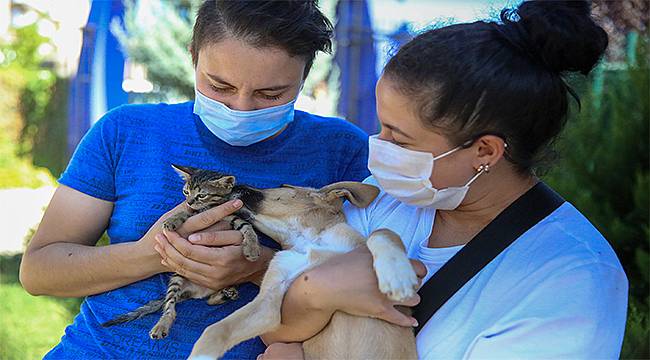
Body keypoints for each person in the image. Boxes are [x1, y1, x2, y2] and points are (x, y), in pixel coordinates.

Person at [258, 1, 628, 359]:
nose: (379, 148)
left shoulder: (572, 281)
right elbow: (275, 324)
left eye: (400, 139)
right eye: (382, 127)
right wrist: (316, 293)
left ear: (485, 151)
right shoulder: (386, 198)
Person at [18, 1, 370, 359]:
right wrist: (152, 255)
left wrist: (260, 268)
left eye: (271, 94)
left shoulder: (341, 150)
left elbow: (373, 280)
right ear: (193, 56)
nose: (241, 108)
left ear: (305, 75)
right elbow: (40, 271)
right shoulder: (126, 131)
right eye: (219, 86)